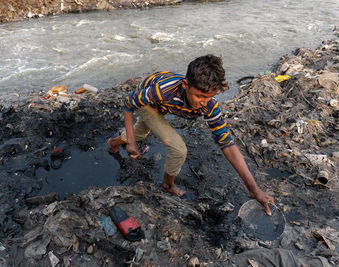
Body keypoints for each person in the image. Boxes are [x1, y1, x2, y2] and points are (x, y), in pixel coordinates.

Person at [107, 54, 274, 215]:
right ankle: (168, 185)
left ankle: (113, 143)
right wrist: (130, 142)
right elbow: (129, 104)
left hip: (164, 105)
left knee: (141, 133)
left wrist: (254, 189)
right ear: (185, 85)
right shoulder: (161, 91)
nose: (203, 102)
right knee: (179, 149)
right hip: (150, 101)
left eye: (209, 97)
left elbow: (227, 144)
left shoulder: (209, 105)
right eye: (199, 96)